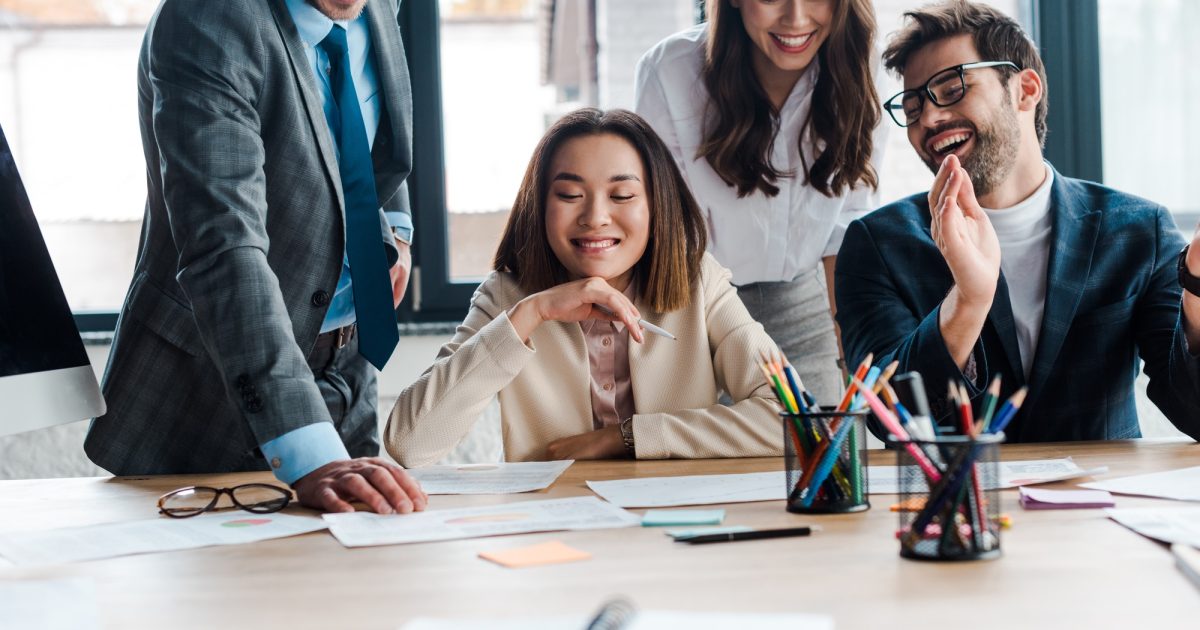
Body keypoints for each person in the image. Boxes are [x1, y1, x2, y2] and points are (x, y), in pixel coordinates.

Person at [84, 0, 428, 515]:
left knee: (358, 575)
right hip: (211, 389)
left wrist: (396, 231)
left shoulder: (377, 5)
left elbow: (364, 128)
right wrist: (311, 453)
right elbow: (224, 245)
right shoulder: (207, 19)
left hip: (347, 365)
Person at [835, 0, 1200, 442]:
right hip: (959, 502)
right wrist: (968, 301)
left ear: (1025, 89)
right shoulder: (876, 244)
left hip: (1098, 504)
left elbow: (1193, 411)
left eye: (951, 89)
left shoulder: (1140, 230)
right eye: (912, 109)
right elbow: (890, 416)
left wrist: (1196, 285)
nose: (928, 118)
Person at [385, 109, 783, 467]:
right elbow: (409, 443)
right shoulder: (506, 296)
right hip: (552, 531)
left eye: (622, 196)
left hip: (672, 532)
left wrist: (626, 438)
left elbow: (791, 419)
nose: (595, 217)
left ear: (656, 205)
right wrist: (531, 314)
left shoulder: (700, 282)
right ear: (540, 205)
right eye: (570, 195)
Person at [634, 0, 887, 404]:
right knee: (719, 455)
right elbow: (668, 230)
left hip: (808, 306)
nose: (797, 19)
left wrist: (852, 362)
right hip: (701, 308)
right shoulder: (668, 72)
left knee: (826, 457)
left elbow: (849, 224)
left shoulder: (859, 63)